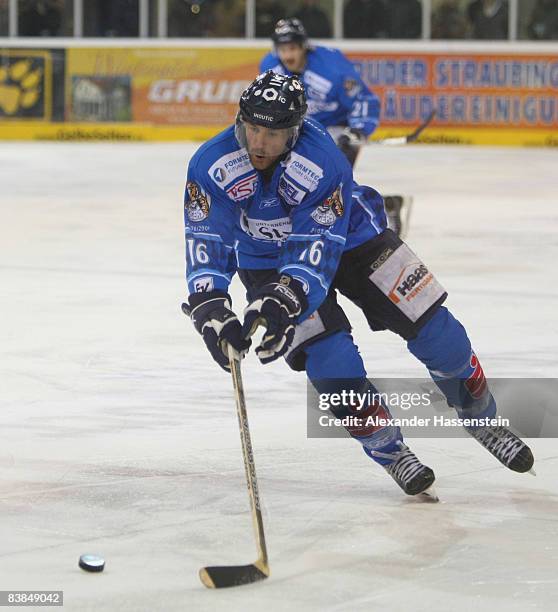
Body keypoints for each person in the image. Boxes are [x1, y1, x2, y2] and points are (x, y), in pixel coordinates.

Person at [182, 71, 534, 499]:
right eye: (252, 128)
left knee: (441, 336)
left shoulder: (323, 161)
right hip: (265, 262)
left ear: (293, 133)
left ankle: (482, 418)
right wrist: (210, 306)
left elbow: (316, 250)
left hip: (354, 238)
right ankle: (389, 450)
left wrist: (283, 302)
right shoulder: (211, 164)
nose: (259, 143)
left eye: (272, 134)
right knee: (332, 365)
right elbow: (207, 240)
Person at [260, 18, 409, 237]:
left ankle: (381, 209)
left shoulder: (331, 66)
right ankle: (387, 204)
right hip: (299, 131)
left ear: (303, 46)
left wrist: (358, 130)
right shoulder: (269, 66)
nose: (288, 55)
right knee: (292, 185)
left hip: (337, 131)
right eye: (282, 49)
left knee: (327, 187)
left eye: (292, 48)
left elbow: (363, 99)